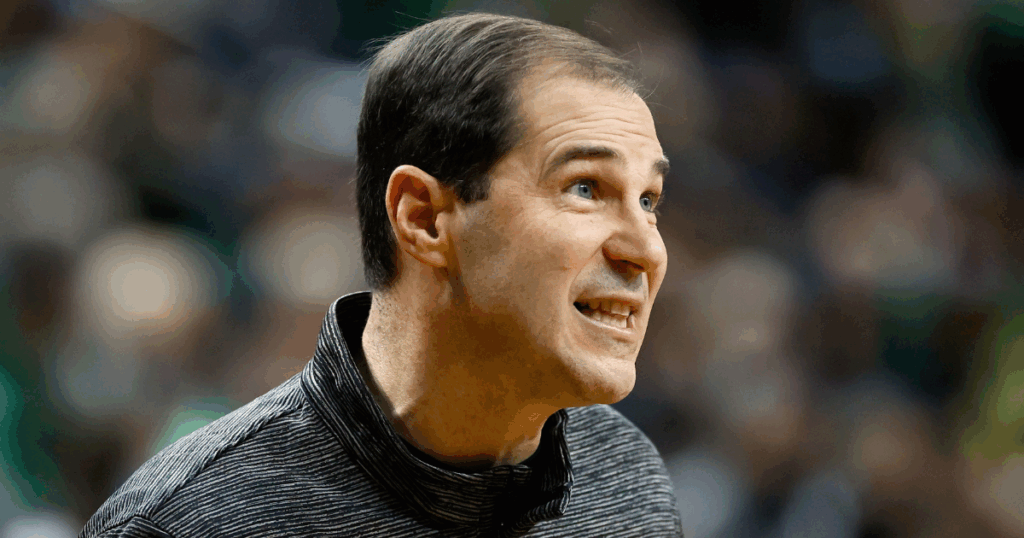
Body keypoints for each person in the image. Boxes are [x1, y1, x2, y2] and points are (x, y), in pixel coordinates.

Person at [81, 12, 682, 538]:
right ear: (423, 218)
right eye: (585, 188)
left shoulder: (625, 476)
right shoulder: (187, 522)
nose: (645, 251)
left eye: (649, 200)